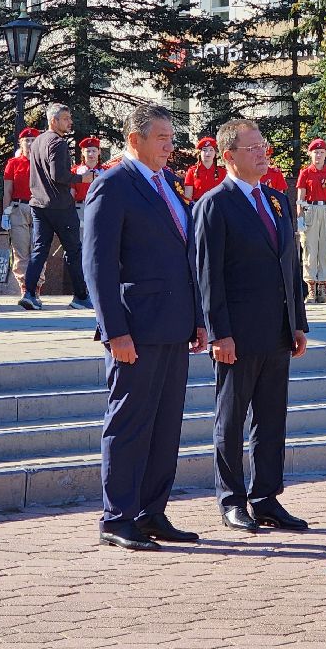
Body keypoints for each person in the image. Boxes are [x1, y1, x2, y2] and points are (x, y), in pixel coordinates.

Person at [83, 104, 208, 552]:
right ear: (134, 139)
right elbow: (98, 265)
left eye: (172, 138)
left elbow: (185, 257)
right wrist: (114, 330)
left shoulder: (170, 184)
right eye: (162, 138)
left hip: (173, 326)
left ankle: (151, 511)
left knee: (165, 424)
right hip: (135, 328)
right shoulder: (112, 185)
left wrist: (197, 319)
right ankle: (117, 517)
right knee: (130, 423)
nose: (171, 146)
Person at [193, 118, 311, 534]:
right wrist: (218, 333)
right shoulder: (214, 204)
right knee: (231, 418)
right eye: (253, 148)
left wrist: (298, 322)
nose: (263, 153)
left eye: (264, 145)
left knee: (271, 418)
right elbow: (208, 276)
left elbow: (290, 268)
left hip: (277, 331)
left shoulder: (277, 200)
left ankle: (266, 498)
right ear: (228, 157)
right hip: (236, 336)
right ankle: (231, 499)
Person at [24, 104, 93, 311]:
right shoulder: (58, 143)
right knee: (73, 251)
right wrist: (83, 178)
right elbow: (59, 176)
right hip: (59, 205)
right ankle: (80, 296)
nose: (70, 122)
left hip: (38, 203)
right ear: (53, 120)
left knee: (39, 250)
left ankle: (29, 294)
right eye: (65, 118)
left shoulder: (37, 142)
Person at [296, 138, 326, 305]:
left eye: (321, 152)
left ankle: (323, 290)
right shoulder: (305, 173)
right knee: (309, 249)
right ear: (310, 154)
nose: (318, 155)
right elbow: (300, 198)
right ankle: (311, 290)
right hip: (310, 210)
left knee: (325, 248)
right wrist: (300, 218)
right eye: (315, 152)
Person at [1, 128, 40, 299]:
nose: (30, 144)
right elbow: (7, 190)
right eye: (27, 140)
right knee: (21, 249)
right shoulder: (13, 163)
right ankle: (25, 287)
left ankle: (37, 286)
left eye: (33, 140)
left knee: (38, 249)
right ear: (20, 143)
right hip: (19, 207)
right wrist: (5, 212)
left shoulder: (43, 162)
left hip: (39, 207)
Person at [71, 136, 104, 219]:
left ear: (99, 151)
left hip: (101, 208)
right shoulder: (74, 172)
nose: (91, 154)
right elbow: (71, 194)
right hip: (80, 208)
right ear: (82, 152)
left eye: (94, 151)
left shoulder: (107, 171)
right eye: (88, 151)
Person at [183, 136, 226, 201]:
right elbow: (187, 197)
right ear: (199, 153)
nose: (208, 153)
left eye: (211, 150)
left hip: (218, 207)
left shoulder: (222, 172)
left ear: (215, 153)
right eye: (204, 150)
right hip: (198, 206)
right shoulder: (192, 171)